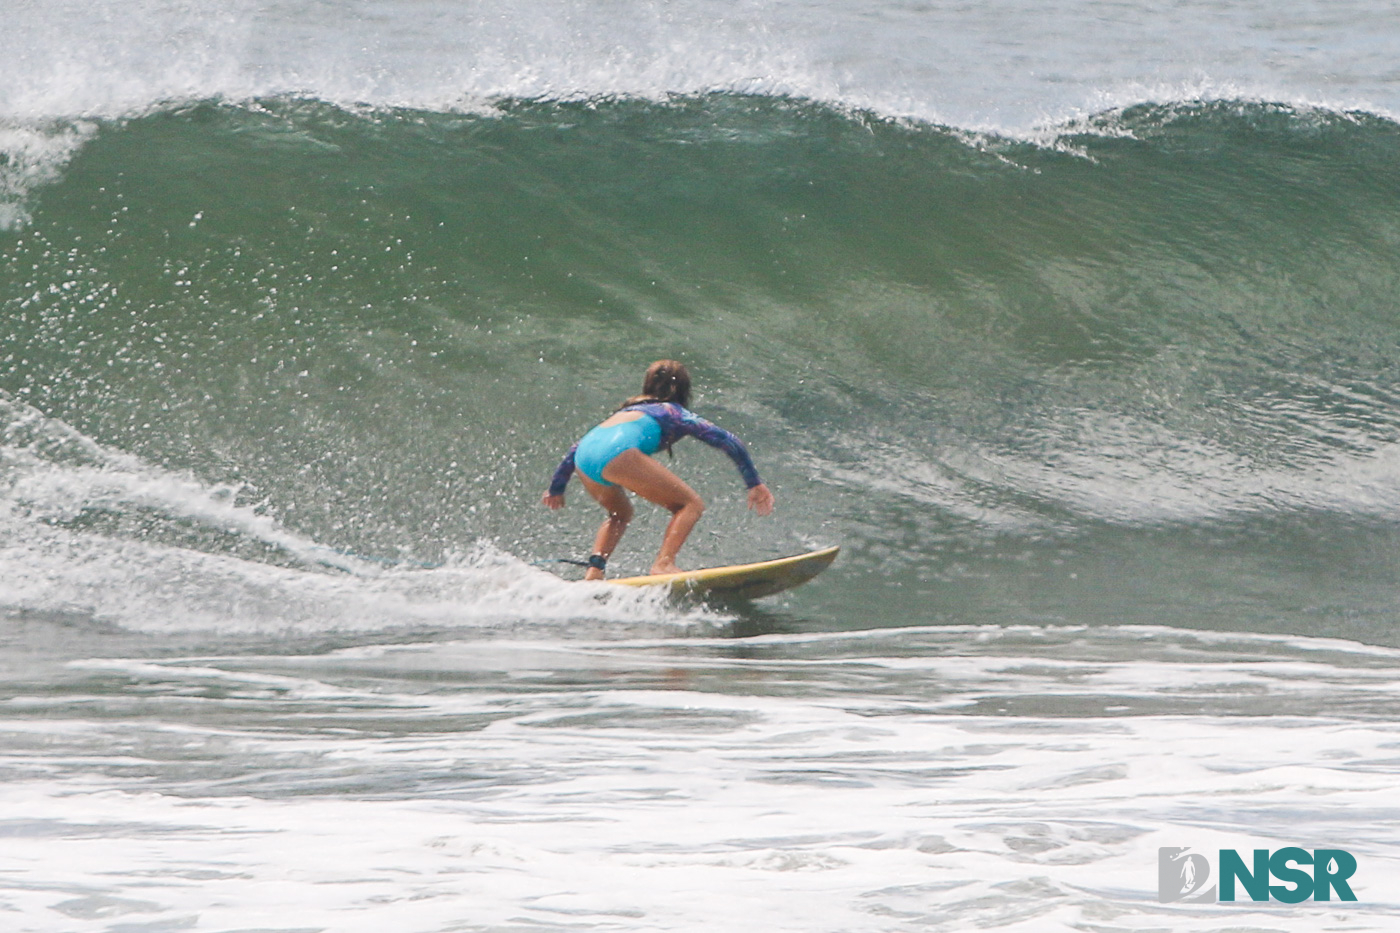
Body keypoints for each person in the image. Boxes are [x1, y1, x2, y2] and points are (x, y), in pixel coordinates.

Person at [542, 360, 775, 580]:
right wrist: (754, 483)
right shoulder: (672, 412)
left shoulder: (627, 411)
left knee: (619, 514)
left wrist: (557, 488)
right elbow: (729, 440)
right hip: (616, 451)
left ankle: (594, 572)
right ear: (681, 389)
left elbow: (575, 449)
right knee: (690, 505)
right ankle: (663, 564)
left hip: (584, 456)